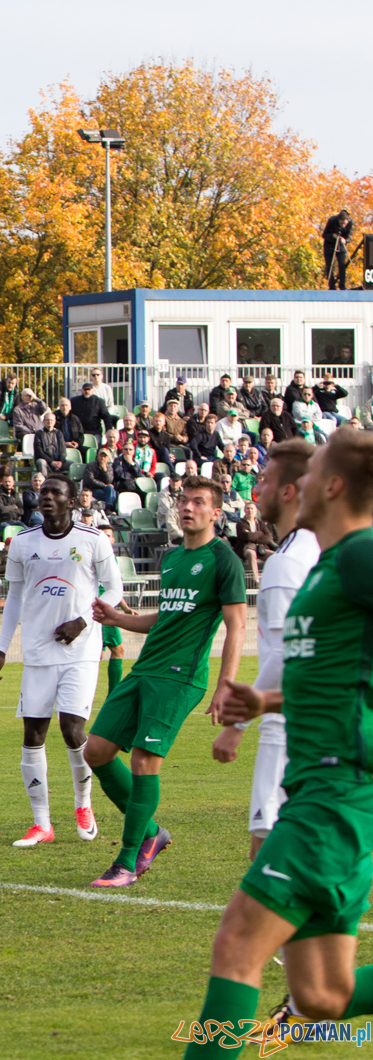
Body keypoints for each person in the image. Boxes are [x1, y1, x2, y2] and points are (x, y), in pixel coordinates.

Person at [186, 429, 373, 1055]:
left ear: (334, 485)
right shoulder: (330, 561)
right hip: (324, 792)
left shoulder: (358, 555)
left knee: (237, 945)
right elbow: (338, 676)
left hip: (337, 794)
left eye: (314, 467)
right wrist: (264, 701)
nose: (297, 480)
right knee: (323, 995)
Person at [84, 475, 246, 888]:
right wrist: (120, 618)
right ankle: (153, 832)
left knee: (143, 760)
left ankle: (126, 861)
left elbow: (237, 625)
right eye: (184, 501)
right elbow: (166, 616)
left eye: (198, 502)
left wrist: (227, 683)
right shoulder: (172, 559)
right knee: (96, 751)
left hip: (180, 676)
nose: (188, 508)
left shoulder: (223, 559)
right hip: (145, 669)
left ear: (215, 511)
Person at [0, 476, 123, 848]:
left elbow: (115, 587)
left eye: (55, 493)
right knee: (33, 736)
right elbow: (14, 597)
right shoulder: (24, 542)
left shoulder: (92, 540)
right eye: (43, 492)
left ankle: (83, 805)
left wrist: (84, 620)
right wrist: (1, 650)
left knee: (73, 730)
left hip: (80, 652)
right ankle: (42, 824)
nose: (47, 497)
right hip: (38, 653)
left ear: (72, 500)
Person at [207, 441, 318, 872]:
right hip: (328, 727)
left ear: (289, 492)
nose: (256, 489)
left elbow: (290, 654)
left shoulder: (286, 565)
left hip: (289, 731)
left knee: (268, 863)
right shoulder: (324, 552)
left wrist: (237, 724)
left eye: (265, 480)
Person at [321, 207, 355, 290]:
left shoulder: (350, 223)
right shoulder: (332, 220)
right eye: (341, 223)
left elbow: (349, 237)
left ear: (347, 221)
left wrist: (345, 240)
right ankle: (332, 286)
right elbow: (324, 235)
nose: (343, 225)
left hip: (341, 244)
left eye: (344, 223)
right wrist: (332, 236)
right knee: (329, 265)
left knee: (342, 265)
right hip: (329, 244)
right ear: (338, 219)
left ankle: (342, 285)